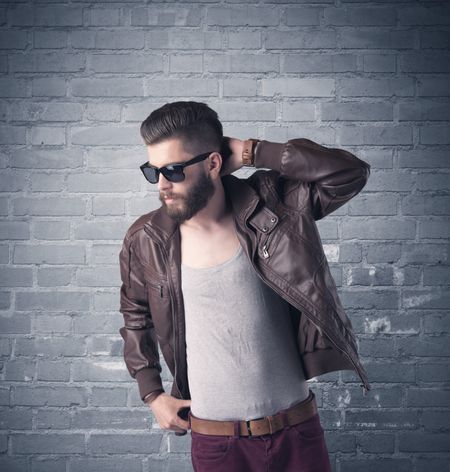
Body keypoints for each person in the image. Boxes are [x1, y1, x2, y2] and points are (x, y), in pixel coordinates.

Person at [119, 101, 371, 472]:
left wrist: (257, 151)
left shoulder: (273, 205)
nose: (162, 185)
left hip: (297, 432)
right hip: (216, 444)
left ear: (214, 164)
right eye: (152, 171)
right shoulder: (146, 240)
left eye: (173, 170)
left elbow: (349, 173)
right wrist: (152, 393)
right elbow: (135, 316)